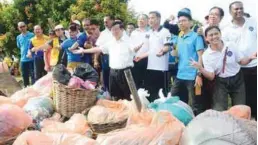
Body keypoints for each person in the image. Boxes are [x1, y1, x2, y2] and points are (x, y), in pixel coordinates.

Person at [190, 26, 257, 111]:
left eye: (216, 33)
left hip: (237, 79)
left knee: (240, 108)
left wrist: (250, 58)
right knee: (219, 109)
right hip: (220, 81)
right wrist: (201, 68)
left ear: (220, 34)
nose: (214, 37)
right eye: (211, 35)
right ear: (206, 38)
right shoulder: (206, 55)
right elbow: (211, 76)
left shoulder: (231, 45)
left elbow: (241, 61)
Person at [72, 21, 143, 100]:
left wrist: (136, 49)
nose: (114, 32)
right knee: (115, 96)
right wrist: (83, 51)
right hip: (113, 73)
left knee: (128, 96)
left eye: (116, 29)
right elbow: (98, 48)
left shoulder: (128, 41)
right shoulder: (111, 43)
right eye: (113, 30)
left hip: (126, 72)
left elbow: (133, 48)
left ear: (122, 29)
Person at [163, 9, 204, 115]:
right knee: (173, 98)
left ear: (191, 23)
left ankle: (195, 125)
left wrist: (199, 74)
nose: (181, 23)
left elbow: (201, 56)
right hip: (180, 74)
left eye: (184, 20)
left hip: (193, 76)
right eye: (179, 21)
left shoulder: (196, 37)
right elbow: (171, 46)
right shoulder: (179, 36)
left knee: (194, 103)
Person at [223, 1, 257, 118]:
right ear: (230, 12)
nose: (239, 11)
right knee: (241, 98)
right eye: (236, 9)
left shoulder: (253, 22)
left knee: (255, 94)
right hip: (238, 68)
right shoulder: (226, 29)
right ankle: (245, 121)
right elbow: (225, 50)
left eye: (241, 8)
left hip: (255, 65)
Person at [136, 11, 172, 102]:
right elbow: (150, 50)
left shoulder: (165, 32)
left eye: (152, 18)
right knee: (151, 93)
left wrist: (163, 51)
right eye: (149, 18)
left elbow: (168, 46)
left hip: (161, 69)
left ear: (159, 19)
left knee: (162, 95)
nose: (150, 20)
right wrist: (140, 56)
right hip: (150, 68)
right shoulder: (149, 33)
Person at [95, 15, 114, 92]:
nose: (105, 23)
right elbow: (98, 48)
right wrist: (95, 60)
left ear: (112, 20)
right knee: (106, 77)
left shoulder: (120, 31)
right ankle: (107, 94)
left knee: (116, 77)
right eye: (104, 22)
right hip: (106, 58)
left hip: (117, 58)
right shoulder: (103, 33)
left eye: (107, 21)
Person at [130, 14, 149, 89]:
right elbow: (130, 45)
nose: (141, 21)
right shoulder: (133, 32)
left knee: (146, 81)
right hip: (135, 59)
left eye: (143, 19)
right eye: (139, 19)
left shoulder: (150, 32)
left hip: (147, 59)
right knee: (136, 81)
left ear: (147, 21)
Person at [16, 22, 35, 87]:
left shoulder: (32, 35)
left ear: (26, 26)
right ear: (18, 28)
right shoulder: (18, 37)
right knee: (24, 75)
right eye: (20, 27)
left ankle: (34, 89)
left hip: (32, 58)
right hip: (23, 59)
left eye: (23, 26)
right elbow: (19, 46)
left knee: (33, 75)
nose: (22, 28)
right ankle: (26, 88)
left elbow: (35, 44)